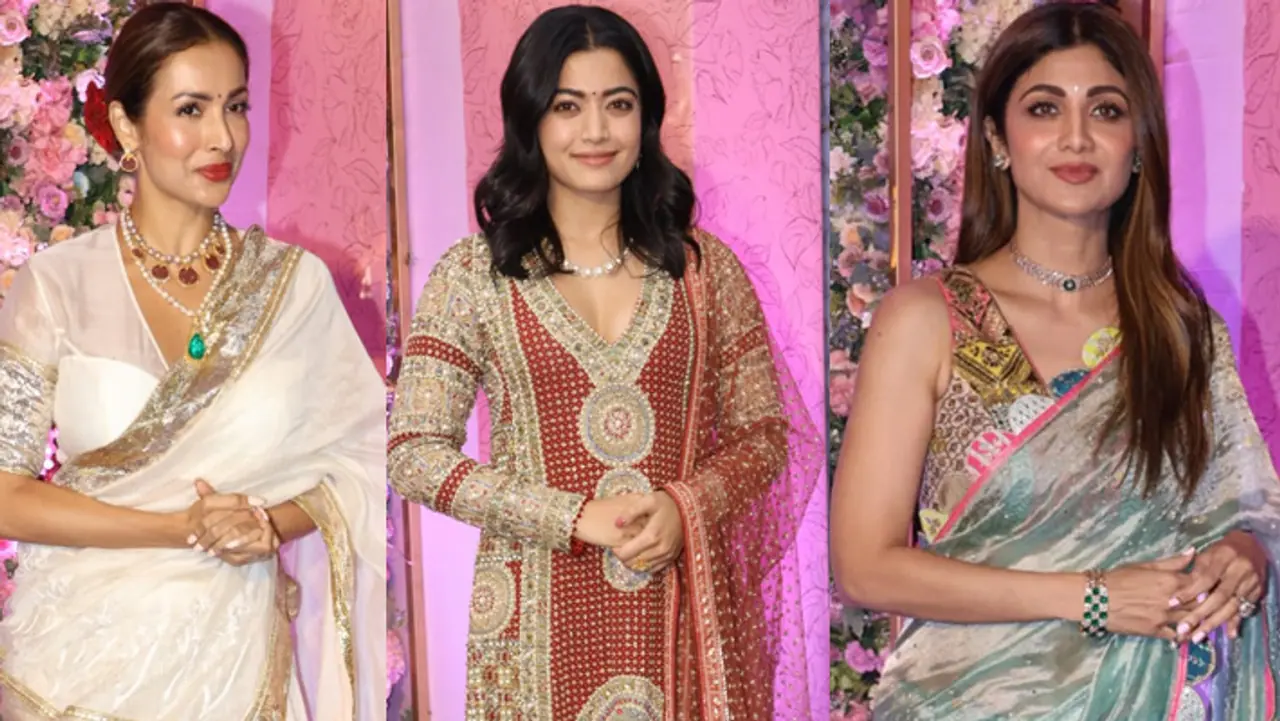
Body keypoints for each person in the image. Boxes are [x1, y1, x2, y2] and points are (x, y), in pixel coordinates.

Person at [831, 3, 1279, 719]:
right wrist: (1092, 598)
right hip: (965, 701)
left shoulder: (1181, 329)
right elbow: (864, 566)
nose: (1076, 136)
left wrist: (1245, 555)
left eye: (1106, 110)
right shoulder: (928, 320)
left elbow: (1247, 512)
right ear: (996, 139)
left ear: (1138, 144)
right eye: (1044, 108)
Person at [388, 5, 819, 718]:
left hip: (680, 610)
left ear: (645, 119)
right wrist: (573, 517)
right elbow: (414, 454)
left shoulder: (703, 271)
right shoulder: (475, 275)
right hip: (534, 619)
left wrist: (686, 507)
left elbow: (765, 434)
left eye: (618, 105)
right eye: (567, 107)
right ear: (530, 120)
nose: (595, 131)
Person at [0, 4, 385, 718]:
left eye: (236, 106)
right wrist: (182, 527)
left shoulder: (290, 288)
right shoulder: (56, 285)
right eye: (191, 109)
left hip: (233, 661)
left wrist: (269, 524)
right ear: (126, 127)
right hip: (74, 667)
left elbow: (356, 461)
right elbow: (4, 492)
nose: (222, 137)